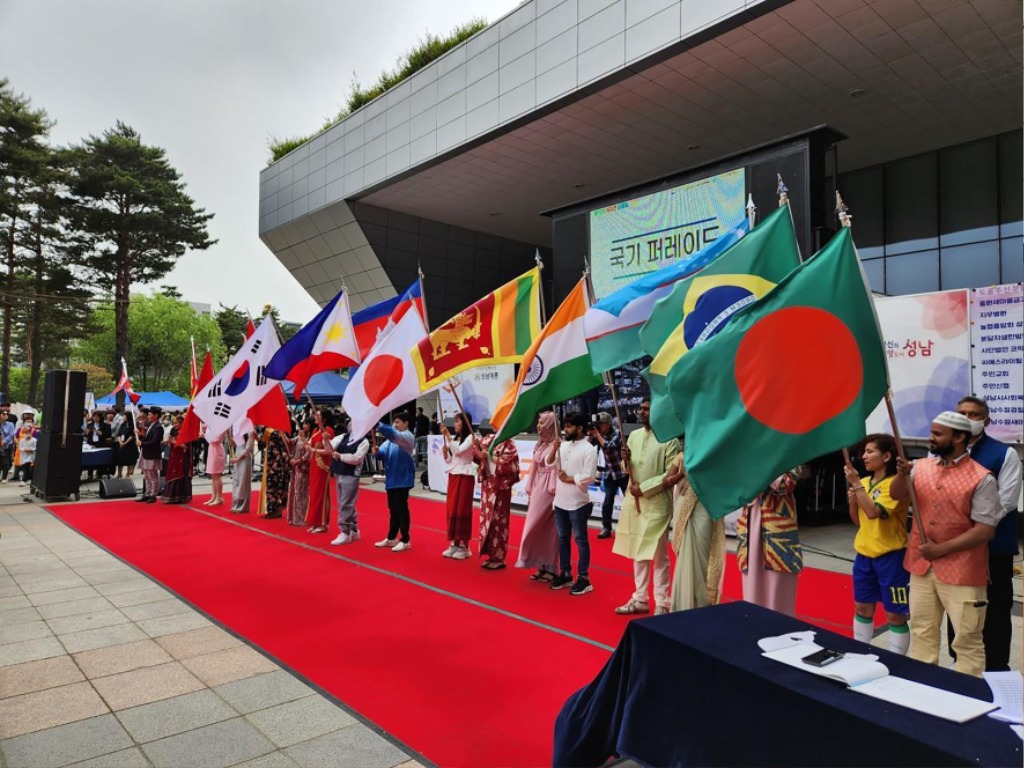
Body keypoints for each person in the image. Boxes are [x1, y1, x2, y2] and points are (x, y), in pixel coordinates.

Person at [891, 410, 1001, 677]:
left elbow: (985, 530)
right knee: (922, 633)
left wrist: (941, 549)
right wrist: (900, 475)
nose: (931, 438)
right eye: (932, 432)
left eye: (938, 434)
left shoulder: (981, 477)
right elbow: (896, 495)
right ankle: (923, 689)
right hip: (921, 567)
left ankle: (966, 699)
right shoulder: (919, 467)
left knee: (967, 640)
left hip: (963, 572)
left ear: (961, 437)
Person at [949, 396, 1022, 671]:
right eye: (962, 413)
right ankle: (961, 665)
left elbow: (1006, 501)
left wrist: (969, 526)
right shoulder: (944, 453)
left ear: (986, 421)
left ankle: (995, 670)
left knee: (994, 612)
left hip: (993, 549)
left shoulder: (1005, 454)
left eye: (974, 414)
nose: (967, 418)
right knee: (958, 608)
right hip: (957, 551)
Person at [843, 434, 911, 654]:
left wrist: (856, 486)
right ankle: (859, 653)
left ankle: (897, 660)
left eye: (870, 451)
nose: (864, 456)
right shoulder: (863, 483)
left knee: (895, 613)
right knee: (862, 607)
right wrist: (853, 502)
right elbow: (859, 520)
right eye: (864, 452)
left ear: (887, 456)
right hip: (864, 555)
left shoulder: (895, 485)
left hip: (891, 557)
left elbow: (873, 513)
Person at [612, 400, 680, 615]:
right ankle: (640, 598)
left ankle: (662, 602)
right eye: (640, 408)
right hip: (635, 501)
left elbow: (670, 474)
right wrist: (625, 461)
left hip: (656, 502)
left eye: (647, 408)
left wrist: (644, 488)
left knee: (659, 555)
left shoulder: (670, 440)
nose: (642, 412)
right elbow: (628, 468)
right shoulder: (634, 436)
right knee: (638, 551)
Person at [736, 470, 802, 616]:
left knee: (777, 590)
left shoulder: (790, 449)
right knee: (751, 585)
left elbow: (787, 484)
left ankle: (780, 631)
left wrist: (765, 467)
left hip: (777, 530)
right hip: (750, 521)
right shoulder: (748, 454)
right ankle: (752, 625)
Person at [668, 443, 725, 612]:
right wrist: (681, 475)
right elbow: (667, 480)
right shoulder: (683, 454)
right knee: (686, 555)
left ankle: (701, 605)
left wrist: (698, 472)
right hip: (685, 506)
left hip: (705, 505)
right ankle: (682, 605)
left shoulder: (714, 450)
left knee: (703, 555)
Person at [549, 411, 598, 595]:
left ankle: (584, 578)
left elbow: (590, 477)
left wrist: (569, 478)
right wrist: (554, 448)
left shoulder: (589, 449)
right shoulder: (562, 446)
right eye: (565, 425)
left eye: (569, 426)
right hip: (560, 501)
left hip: (578, 503)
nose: (565, 429)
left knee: (580, 541)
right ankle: (566, 573)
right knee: (562, 539)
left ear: (580, 428)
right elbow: (548, 463)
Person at [516, 411, 560, 582]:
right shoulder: (539, 444)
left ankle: (551, 566)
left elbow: (555, 467)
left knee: (549, 529)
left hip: (551, 488)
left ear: (550, 425)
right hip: (538, 487)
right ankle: (541, 564)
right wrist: (530, 487)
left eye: (542, 423)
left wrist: (556, 448)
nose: (539, 426)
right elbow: (534, 467)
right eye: (539, 422)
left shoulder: (557, 444)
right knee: (538, 528)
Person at [475, 430, 520, 569]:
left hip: (500, 488)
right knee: (488, 520)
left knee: (499, 521)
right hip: (489, 486)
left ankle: (499, 557)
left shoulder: (509, 444)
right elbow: (477, 456)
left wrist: (489, 456)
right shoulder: (489, 439)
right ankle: (490, 554)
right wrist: (477, 447)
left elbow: (511, 467)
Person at [374, 413, 415, 552]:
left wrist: (378, 424)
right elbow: (382, 453)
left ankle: (405, 539)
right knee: (393, 509)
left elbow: (393, 434)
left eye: (398, 422)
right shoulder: (390, 441)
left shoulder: (407, 437)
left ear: (406, 423)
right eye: (394, 422)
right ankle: (392, 537)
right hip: (392, 479)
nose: (395, 425)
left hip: (403, 478)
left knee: (402, 509)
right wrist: (377, 452)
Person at [329, 413, 369, 545]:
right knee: (344, 502)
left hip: (351, 474)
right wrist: (325, 440)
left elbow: (357, 458)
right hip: (339, 472)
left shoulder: (364, 441)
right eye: (351, 421)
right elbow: (330, 446)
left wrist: (340, 456)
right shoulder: (342, 437)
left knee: (345, 503)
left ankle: (344, 531)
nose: (351, 424)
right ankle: (353, 528)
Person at [441, 412, 477, 559]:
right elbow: (451, 459)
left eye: (457, 421)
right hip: (454, 475)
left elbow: (459, 451)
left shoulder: (471, 438)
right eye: (455, 421)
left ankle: (464, 546)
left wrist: (448, 437)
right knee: (452, 509)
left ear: (465, 423)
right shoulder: (456, 438)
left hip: (465, 475)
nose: (455, 424)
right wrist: (445, 453)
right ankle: (455, 543)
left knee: (462, 509)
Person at [590, 412, 626, 539]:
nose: (600, 426)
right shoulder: (600, 435)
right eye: (599, 424)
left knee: (629, 502)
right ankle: (606, 528)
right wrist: (591, 436)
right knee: (607, 503)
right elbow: (591, 448)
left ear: (609, 424)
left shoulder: (617, 433)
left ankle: (632, 529)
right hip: (610, 473)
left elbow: (609, 447)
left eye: (602, 424)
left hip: (623, 473)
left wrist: (597, 435)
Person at [305, 409, 335, 533]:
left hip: (322, 466)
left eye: (318, 415)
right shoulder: (314, 431)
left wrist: (314, 451)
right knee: (313, 494)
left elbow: (329, 451)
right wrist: (303, 440)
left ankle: (322, 523)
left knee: (321, 494)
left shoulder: (328, 431)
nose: (316, 417)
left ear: (324, 418)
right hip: (313, 466)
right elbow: (309, 447)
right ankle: (315, 521)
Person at [257, 427, 291, 519]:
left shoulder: (269, 431)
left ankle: (274, 510)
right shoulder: (279, 431)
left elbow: (261, 444)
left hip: (274, 462)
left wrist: (256, 436)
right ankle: (277, 509)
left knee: (273, 485)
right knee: (278, 485)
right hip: (279, 461)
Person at [162, 415, 193, 504]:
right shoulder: (174, 431)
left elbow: (185, 447)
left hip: (182, 457)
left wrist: (176, 442)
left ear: (182, 423)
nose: (174, 425)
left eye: (176, 423)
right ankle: (171, 495)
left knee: (181, 474)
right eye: (174, 423)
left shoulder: (186, 432)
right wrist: (174, 442)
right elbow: (170, 441)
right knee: (172, 473)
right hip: (174, 455)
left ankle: (182, 496)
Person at [136, 407, 164, 503]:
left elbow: (155, 442)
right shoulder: (150, 425)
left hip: (152, 454)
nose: (148, 416)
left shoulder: (158, 427)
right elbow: (146, 438)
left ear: (156, 415)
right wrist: (139, 435)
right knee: (146, 475)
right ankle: (147, 493)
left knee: (152, 476)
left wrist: (142, 444)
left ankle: (153, 494)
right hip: (146, 453)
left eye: (150, 414)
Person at [286, 421, 311, 525]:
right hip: (296, 468)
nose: (304, 426)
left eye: (307, 424)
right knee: (295, 491)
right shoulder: (299, 437)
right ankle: (294, 517)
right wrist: (283, 433)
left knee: (302, 493)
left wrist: (298, 461)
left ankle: (302, 517)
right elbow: (289, 442)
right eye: (304, 424)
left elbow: (309, 452)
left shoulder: (311, 438)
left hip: (304, 468)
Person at [229, 427, 255, 514]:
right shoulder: (236, 428)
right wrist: (227, 434)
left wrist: (237, 459)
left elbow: (248, 449)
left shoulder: (249, 429)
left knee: (244, 481)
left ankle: (243, 506)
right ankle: (236, 503)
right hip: (237, 455)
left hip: (244, 458)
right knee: (237, 480)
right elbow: (233, 444)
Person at [84, 412, 112, 480]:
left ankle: (99, 473)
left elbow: (107, 434)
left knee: (100, 458)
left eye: (97, 417)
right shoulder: (90, 424)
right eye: (94, 417)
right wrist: (86, 433)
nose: (95, 419)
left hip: (101, 443)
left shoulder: (105, 425)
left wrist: (98, 432)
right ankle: (90, 474)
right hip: (91, 443)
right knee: (90, 459)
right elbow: (86, 435)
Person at [203, 426, 226, 506]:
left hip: (217, 449)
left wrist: (205, 435)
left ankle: (219, 497)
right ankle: (214, 496)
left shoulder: (220, 425)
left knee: (216, 474)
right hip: (211, 448)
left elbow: (217, 439)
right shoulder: (210, 425)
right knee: (213, 475)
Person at [114, 411, 139, 480]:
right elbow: (119, 434)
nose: (123, 417)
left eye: (125, 415)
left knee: (129, 459)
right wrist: (120, 442)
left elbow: (132, 435)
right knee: (120, 459)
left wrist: (125, 443)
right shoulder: (122, 424)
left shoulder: (132, 424)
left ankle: (128, 473)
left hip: (129, 444)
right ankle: (119, 473)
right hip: (121, 443)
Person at [0, 409, 15, 483]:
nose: (6, 415)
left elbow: (11, 434)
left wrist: (4, 441)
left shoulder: (10, 424)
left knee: (6, 462)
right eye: (4, 414)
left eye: (6, 414)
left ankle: (4, 477)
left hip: (7, 446)